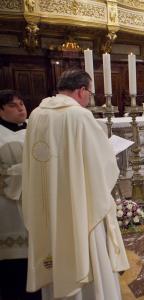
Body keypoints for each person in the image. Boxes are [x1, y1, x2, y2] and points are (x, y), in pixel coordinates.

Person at [22, 70, 129, 299]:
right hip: (80, 205)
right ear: (81, 91)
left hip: (48, 202)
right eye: (90, 92)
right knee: (88, 252)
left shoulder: (37, 114)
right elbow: (102, 165)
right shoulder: (79, 116)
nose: (90, 98)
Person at [0, 90, 40, 300]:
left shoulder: (35, 129)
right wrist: (27, 170)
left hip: (37, 202)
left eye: (22, 103)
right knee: (15, 268)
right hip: (8, 207)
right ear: (1, 110)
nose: (21, 108)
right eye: (13, 105)